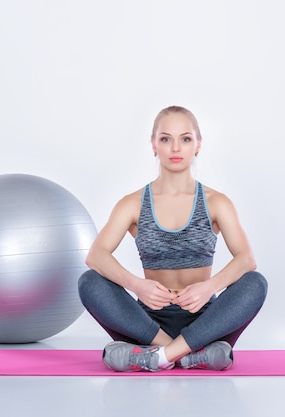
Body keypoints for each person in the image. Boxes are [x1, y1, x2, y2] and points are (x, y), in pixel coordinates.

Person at [78, 105, 268, 372]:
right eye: (166, 139)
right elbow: (96, 256)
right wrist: (137, 286)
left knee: (255, 284)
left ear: (198, 145)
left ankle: (157, 357)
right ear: (154, 145)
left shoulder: (217, 203)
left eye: (185, 139)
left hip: (204, 321)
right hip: (147, 322)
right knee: (89, 282)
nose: (175, 148)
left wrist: (210, 287)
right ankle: (185, 353)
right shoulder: (132, 204)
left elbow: (246, 260)